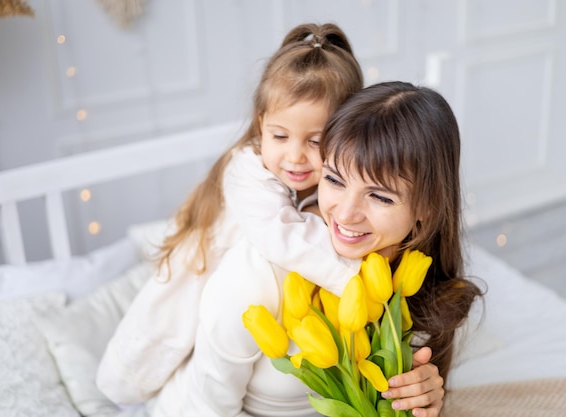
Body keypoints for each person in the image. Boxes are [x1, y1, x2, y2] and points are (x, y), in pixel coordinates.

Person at [143, 81, 480, 417]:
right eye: (334, 180)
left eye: (379, 196)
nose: (345, 213)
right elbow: (206, 410)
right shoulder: (255, 274)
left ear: (427, 208)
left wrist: (423, 403)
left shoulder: (418, 280)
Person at [99, 22, 362, 403]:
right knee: (156, 358)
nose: (294, 156)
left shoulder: (337, 183)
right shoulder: (247, 168)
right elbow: (283, 235)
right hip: (198, 282)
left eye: (316, 141)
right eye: (280, 136)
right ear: (261, 126)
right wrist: (360, 281)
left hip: (247, 324)